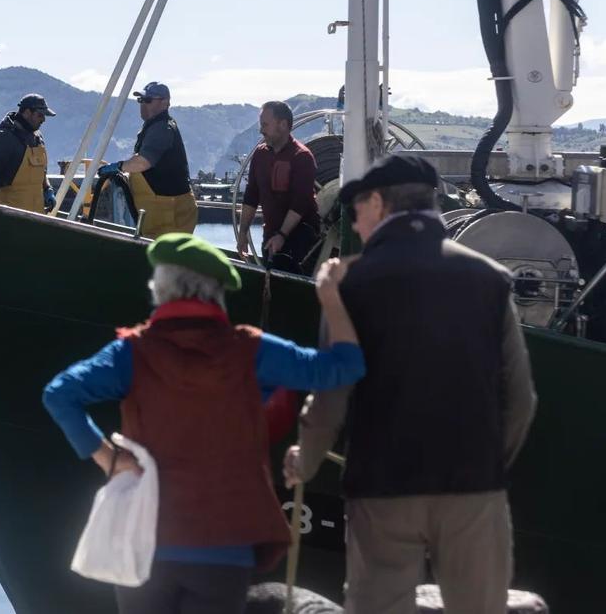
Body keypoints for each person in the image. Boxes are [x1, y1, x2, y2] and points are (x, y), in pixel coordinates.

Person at [43, 233, 365, 614]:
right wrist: (331, 298)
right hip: (224, 551)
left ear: (160, 288)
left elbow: (59, 394)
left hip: (146, 544)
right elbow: (344, 368)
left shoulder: (131, 352)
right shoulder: (251, 350)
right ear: (217, 293)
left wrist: (108, 458)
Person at [283, 153, 538, 614]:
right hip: (474, 488)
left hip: (382, 486)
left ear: (378, 204)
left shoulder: (348, 285)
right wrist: (485, 468)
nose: (354, 224)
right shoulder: (490, 278)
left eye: (356, 210)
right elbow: (520, 399)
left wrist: (307, 460)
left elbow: (332, 394)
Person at [98, 82, 197, 238]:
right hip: (159, 208)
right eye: (141, 100)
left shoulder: (162, 128)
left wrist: (119, 166)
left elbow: (143, 162)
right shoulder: (153, 126)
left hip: (170, 210)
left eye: (148, 100)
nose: (143, 104)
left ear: (165, 102)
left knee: (165, 251)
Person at [237, 101, 320, 274]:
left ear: (283, 124)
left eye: (265, 125)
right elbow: (251, 196)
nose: (261, 130)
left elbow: (300, 203)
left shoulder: (302, 157)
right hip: (271, 236)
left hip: (301, 239)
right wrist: (243, 232)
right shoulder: (260, 154)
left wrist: (282, 235)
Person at [0, 94, 57, 213]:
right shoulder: (5, 139)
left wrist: (48, 189)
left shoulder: (38, 138)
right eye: (40, 115)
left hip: (37, 216)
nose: (43, 119)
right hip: (10, 217)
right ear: (27, 112)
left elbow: (41, 172)